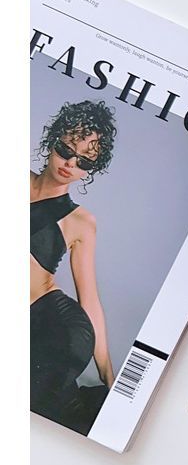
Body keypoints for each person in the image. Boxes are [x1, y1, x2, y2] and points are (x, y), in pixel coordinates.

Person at [30, 100, 117, 434]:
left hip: (54, 324)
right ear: (52, 140)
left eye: (84, 161)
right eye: (67, 149)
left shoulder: (81, 222)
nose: (70, 163)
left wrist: (108, 374)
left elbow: (90, 300)